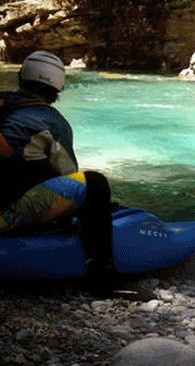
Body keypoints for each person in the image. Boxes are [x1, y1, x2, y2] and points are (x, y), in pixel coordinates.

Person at [0, 50, 114, 277]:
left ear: (22, 77)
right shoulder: (54, 123)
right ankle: (102, 269)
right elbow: (68, 173)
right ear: (57, 87)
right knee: (94, 184)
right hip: (5, 214)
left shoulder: (2, 102)